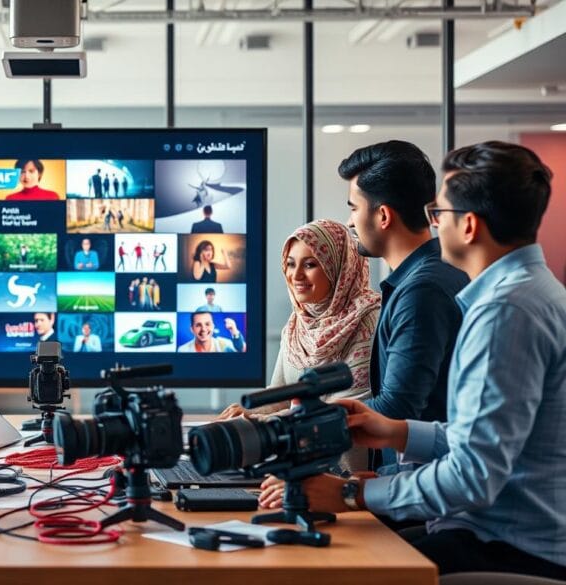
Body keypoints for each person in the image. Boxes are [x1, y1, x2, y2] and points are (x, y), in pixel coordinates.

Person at [261, 142, 565, 579]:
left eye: (439, 214)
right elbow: (481, 437)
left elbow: (474, 474)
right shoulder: (530, 292)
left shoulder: (506, 311)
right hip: (491, 530)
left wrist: (352, 494)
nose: (433, 224)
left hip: (504, 543)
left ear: (470, 225)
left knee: (330, 568)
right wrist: (397, 432)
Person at [340, 141, 469, 468]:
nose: (351, 222)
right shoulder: (440, 272)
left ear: (383, 215)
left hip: (423, 493)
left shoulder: (421, 290)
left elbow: (398, 407)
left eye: (354, 208)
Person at [218, 220, 381, 469]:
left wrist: (257, 422)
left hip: (347, 477)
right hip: (300, 464)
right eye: (291, 264)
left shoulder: (368, 321)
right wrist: (245, 413)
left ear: (339, 267)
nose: (296, 276)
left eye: (310, 264)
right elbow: (281, 390)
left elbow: (338, 413)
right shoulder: (298, 323)